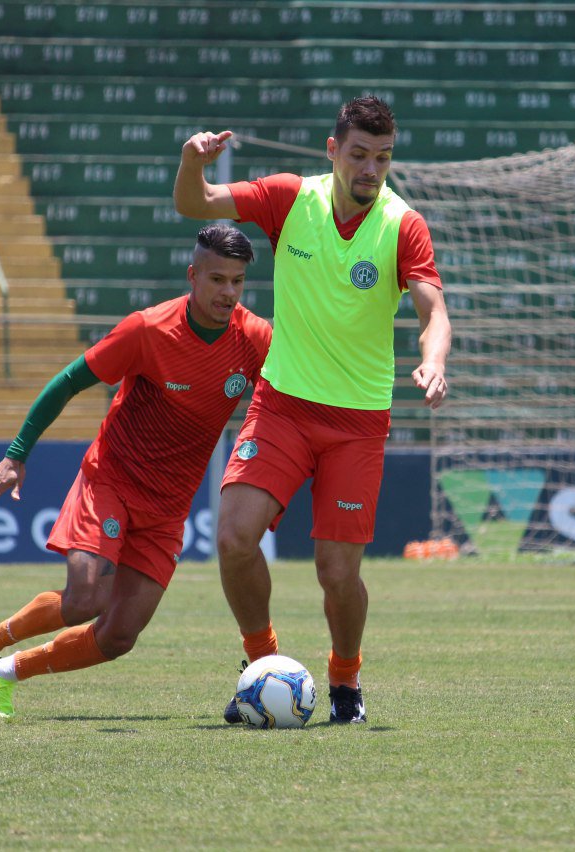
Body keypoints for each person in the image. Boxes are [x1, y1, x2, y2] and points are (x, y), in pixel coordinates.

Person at [173, 95, 452, 724]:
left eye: (383, 157)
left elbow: (434, 310)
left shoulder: (402, 224)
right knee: (234, 538)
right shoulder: (289, 197)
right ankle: (259, 661)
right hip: (283, 404)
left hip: (357, 420)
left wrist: (434, 361)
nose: (371, 169)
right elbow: (195, 204)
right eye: (359, 154)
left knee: (336, 572)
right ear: (333, 151)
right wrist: (192, 164)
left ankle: (345, 679)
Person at [0, 224, 270, 719]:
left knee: (119, 635)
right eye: (217, 280)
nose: (229, 293)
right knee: (86, 596)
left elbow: (285, 397)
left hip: (169, 506)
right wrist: (16, 453)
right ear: (193, 276)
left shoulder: (254, 338)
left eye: (238, 281)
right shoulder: (148, 330)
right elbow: (68, 382)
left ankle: (4, 672)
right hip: (112, 478)